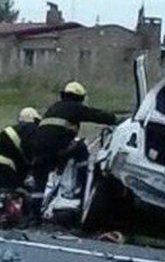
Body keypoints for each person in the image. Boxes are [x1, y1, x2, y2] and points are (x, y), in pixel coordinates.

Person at [29, 82, 117, 217]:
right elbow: (94, 114)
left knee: (39, 184)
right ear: (79, 97)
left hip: (38, 152)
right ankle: (84, 185)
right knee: (80, 148)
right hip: (56, 149)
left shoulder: (53, 108)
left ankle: (34, 216)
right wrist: (116, 119)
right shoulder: (74, 107)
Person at [0, 107, 41, 191]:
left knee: (7, 186)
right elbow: (28, 150)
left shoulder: (19, 129)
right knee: (13, 189)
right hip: (1, 160)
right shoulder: (31, 128)